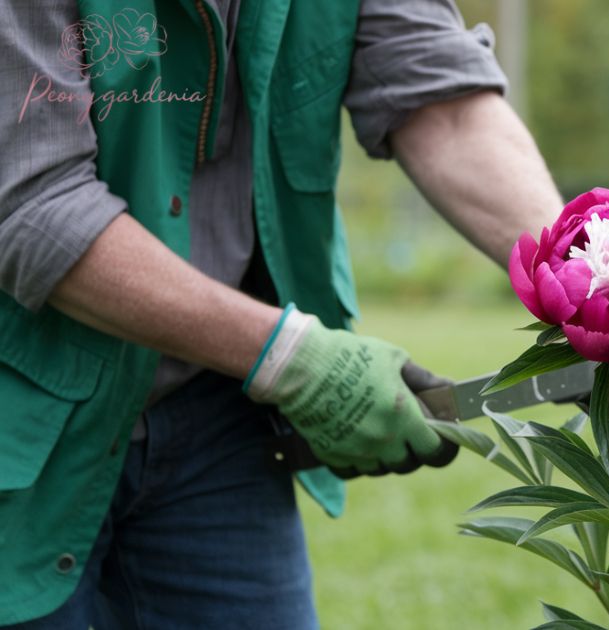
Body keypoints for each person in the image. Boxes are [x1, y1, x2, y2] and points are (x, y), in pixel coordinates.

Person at [0, 1, 562, 627]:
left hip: (216, 415)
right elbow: (33, 201)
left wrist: (599, 279)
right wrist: (296, 359)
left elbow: (448, 112)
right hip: (21, 414)